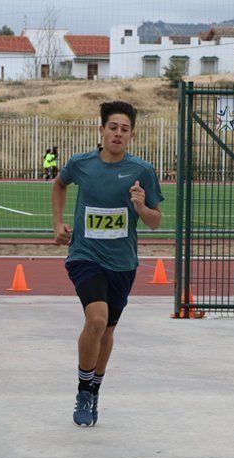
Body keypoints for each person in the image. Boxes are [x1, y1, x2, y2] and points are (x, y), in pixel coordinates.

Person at [51, 100, 163, 427]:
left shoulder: (141, 171)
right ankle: (83, 390)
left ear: (132, 135)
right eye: (112, 127)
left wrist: (142, 208)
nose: (118, 133)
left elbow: (155, 221)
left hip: (123, 263)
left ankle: (95, 391)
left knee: (108, 328)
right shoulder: (82, 164)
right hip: (85, 255)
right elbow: (59, 184)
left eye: (124, 129)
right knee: (96, 319)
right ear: (101, 130)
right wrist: (58, 223)